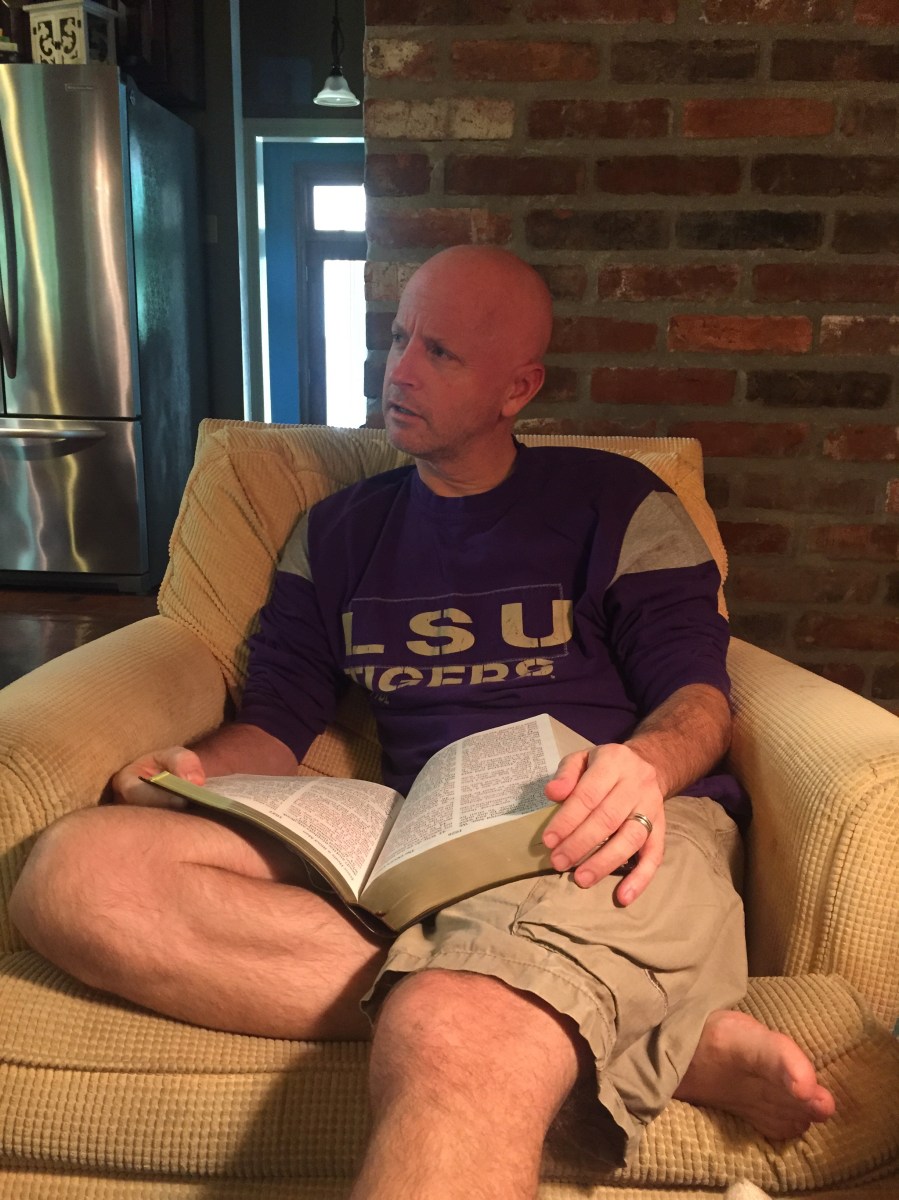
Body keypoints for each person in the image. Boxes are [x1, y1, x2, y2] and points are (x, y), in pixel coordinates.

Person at [9, 246, 834, 1200]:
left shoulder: (614, 501)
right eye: (397, 337)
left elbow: (698, 694)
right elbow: (277, 720)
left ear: (516, 388)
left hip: (597, 817)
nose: (396, 370)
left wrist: (643, 765)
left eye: (438, 353)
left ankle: (515, 1003)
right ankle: (636, 1031)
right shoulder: (337, 532)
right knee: (75, 874)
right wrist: (192, 769)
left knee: (455, 1017)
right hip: (416, 839)